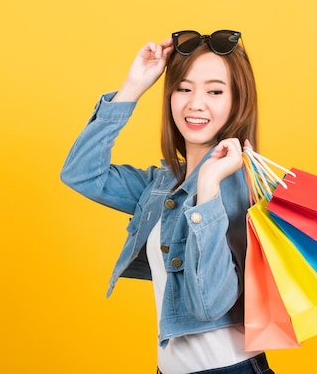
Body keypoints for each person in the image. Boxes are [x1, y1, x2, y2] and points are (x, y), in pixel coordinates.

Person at [60, 30, 275, 374]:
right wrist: (133, 86)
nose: (196, 103)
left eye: (215, 91)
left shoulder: (239, 187)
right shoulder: (162, 187)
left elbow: (209, 305)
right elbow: (81, 173)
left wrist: (208, 187)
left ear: (236, 100)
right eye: (184, 88)